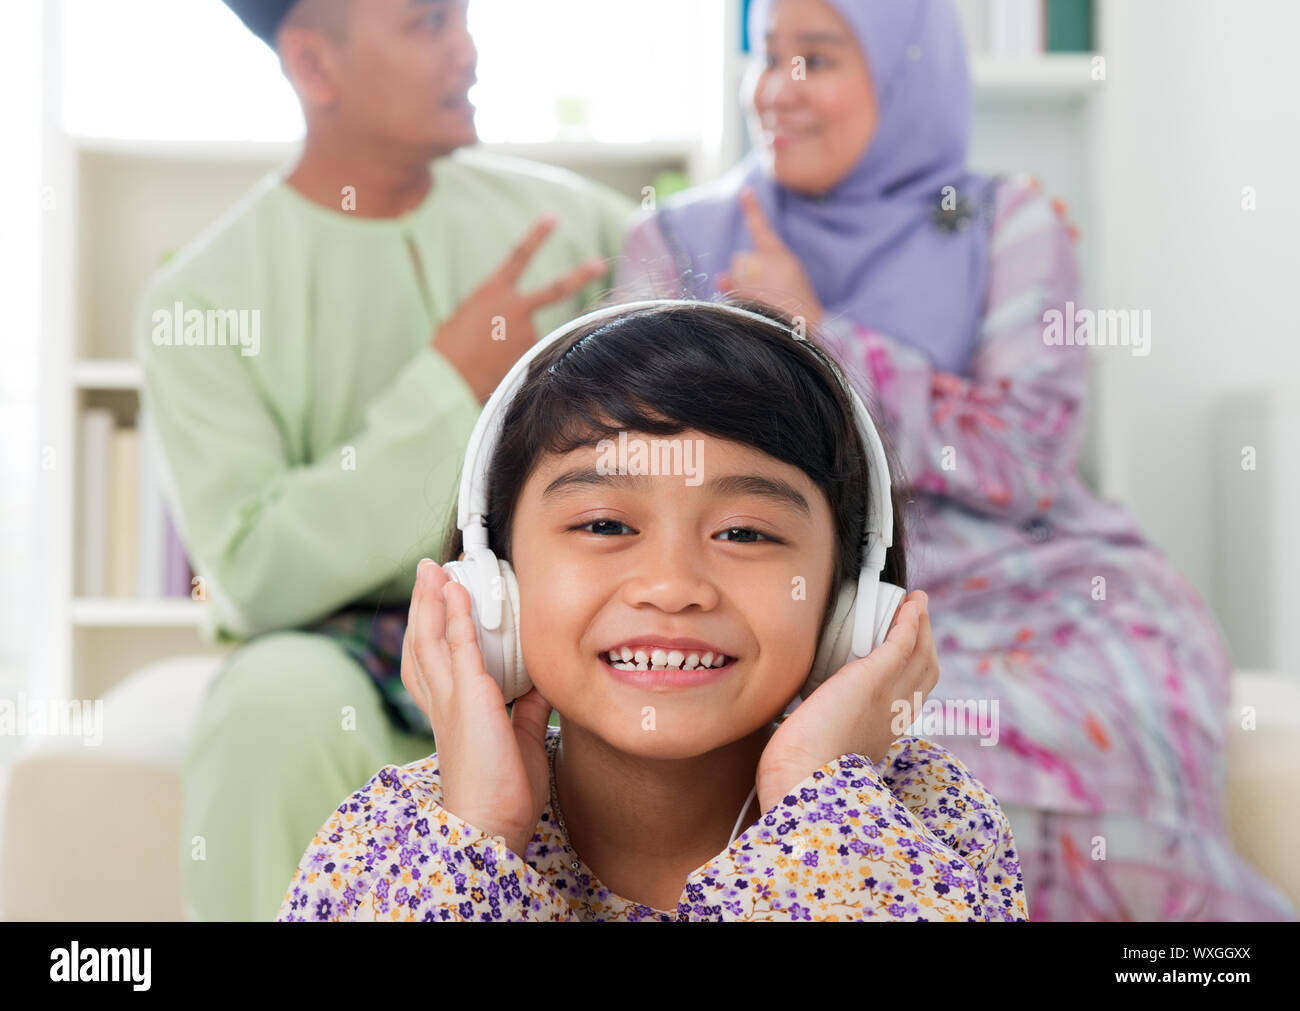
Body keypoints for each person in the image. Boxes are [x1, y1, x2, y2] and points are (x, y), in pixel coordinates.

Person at [612, 0, 1298, 921]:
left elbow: (1026, 458)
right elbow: (646, 462)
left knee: (1113, 705)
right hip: (795, 571)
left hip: (1029, 574)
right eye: (766, 56)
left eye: (816, 58)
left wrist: (822, 337)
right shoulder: (681, 238)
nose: (777, 89)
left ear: (910, 73)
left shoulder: (1003, 221)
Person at [277, 299, 1028, 921]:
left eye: (745, 532)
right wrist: (480, 833)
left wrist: (817, 804)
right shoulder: (398, 840)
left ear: (846, 603)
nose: (671, 587)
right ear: (494, 581)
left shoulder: (921, 824)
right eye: (605, 524)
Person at [133, 0, 634, 921]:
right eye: (428, 25)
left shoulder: (578, 224)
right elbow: (251, 570)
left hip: (561, 629)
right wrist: (452, 386)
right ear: (315, 66)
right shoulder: (201, 295)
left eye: (464, 19)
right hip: (345, 649)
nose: (469, 51)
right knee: (270, 707)